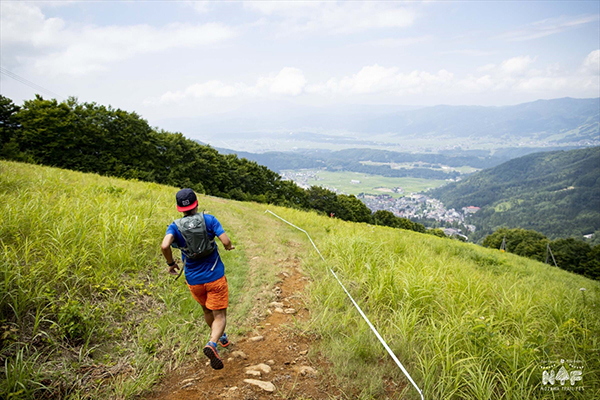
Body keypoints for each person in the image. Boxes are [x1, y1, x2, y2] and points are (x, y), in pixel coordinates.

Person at [160, 188, 235, 370]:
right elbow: (225, 241)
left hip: (194, 280)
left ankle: (220, 336)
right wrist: (228, 247)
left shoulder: (175, 226)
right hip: (214, 276)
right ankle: (213, 343)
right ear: (196, 203)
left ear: (179, 208)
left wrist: (171, 263)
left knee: (207, 310)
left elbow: (164, 245)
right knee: (220, 315)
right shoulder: (209, 220)